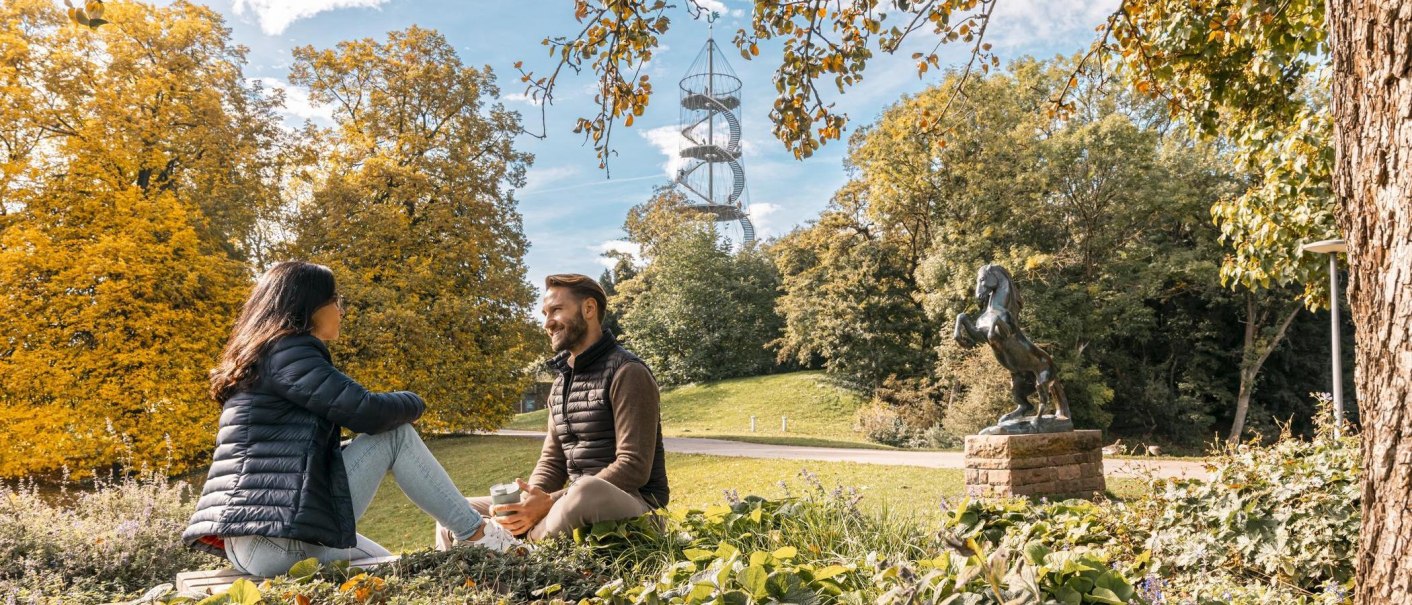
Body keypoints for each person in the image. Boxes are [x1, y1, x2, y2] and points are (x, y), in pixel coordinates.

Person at [183, 261, 518, 577]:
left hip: (255, 540)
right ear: (308, 306)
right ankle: (478, 533)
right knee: (394, 435)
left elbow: (294, 455)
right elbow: (366, 412)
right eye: (334, 300)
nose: (341, 310)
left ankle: (475, 534)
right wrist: (416, 402)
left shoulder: (262, 354)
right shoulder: (289, 351)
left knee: (387, 566)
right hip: (277, 541)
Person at [436, 274, 669, 546]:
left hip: (634, 504)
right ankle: (481, 568)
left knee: (586, 489)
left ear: (589, 309)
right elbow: (552, 460)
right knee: (453, 511)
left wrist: (550, 502)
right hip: (568, 503)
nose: (547, 323)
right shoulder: (560, 384)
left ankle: (519, 548)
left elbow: (633, 467)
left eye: (556, 310)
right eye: (545, 313)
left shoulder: (629, 373)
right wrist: (528, 501)